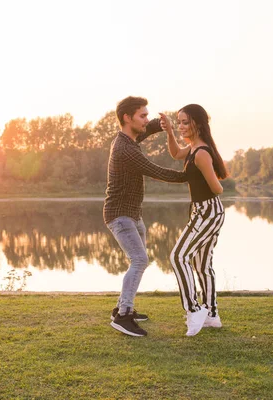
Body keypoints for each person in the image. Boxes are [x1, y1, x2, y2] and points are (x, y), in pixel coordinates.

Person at [104, 96, 187, 337]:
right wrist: (189, 175)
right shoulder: (124, 148)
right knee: (139, 260)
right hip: (120, 216)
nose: (146, 119)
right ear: (127, 118)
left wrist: (157, 125)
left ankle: (123, 307)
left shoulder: (127, 139)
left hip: (132, 214)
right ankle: (123, 315)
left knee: (140, 261)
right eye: (142, 115)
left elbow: (143, 132)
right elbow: (156, 171)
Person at [159, 104, 228, 336]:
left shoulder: (201, 154)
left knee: (178, 256)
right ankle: (212, 315)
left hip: (208, 212)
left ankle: (194, 309)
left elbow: (217, 188)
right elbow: (175, 153)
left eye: (184, 122)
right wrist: (169, 132)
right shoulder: (191, 149)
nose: (180, 126)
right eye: (178, 122)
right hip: (204, 211)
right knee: (201, 265)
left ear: (198, 123)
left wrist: (201, 179)